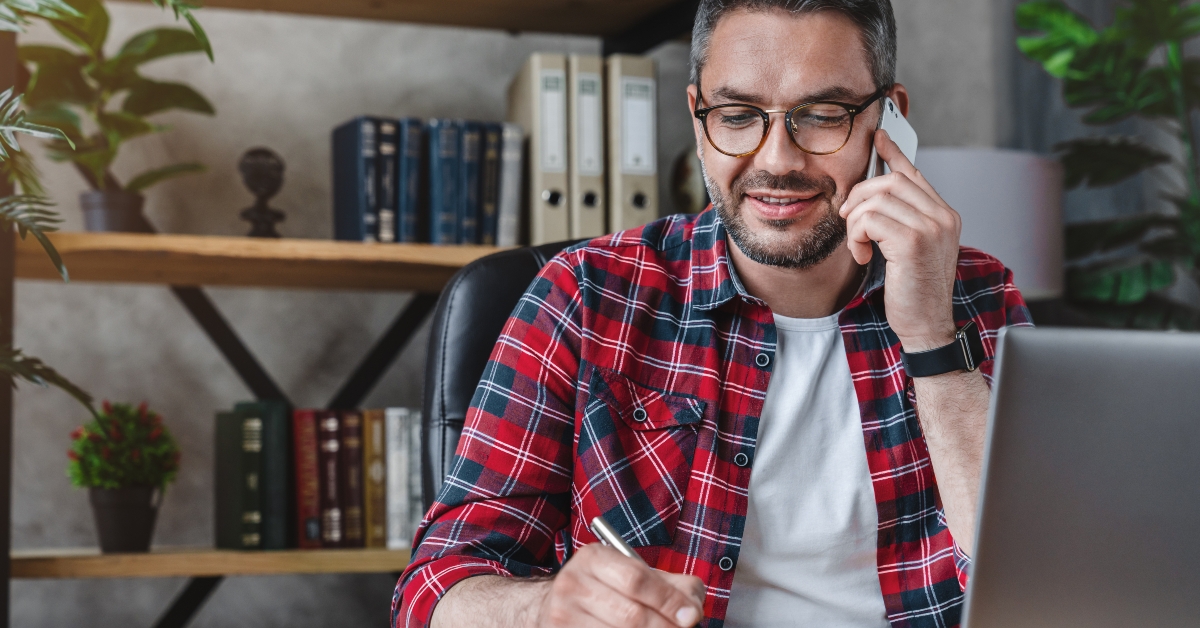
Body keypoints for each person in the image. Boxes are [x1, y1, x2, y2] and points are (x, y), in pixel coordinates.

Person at [393, 1, 1031, 626]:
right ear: (699, 121)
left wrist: (931, 337)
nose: (777, 160)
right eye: (737, 116)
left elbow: (1043, 578)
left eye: (822, 115)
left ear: (891, 118)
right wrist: (542, 610)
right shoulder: (587, 294)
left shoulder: (976, 294)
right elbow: (433, 589)